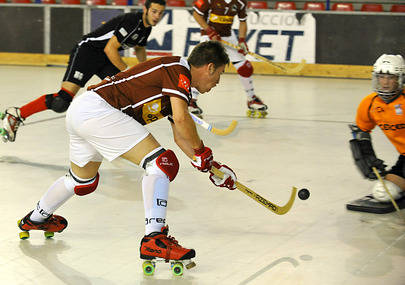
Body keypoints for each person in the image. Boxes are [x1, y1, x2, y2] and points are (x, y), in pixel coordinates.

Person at [17, 41, 238, 266]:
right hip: (99, 111)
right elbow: (182, 119)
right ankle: (155, 238)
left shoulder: (179, 85)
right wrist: (202, 152)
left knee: (82, 180)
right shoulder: (178, 70)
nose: (217, 82)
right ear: (209, 67)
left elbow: (180, 134)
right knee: (162, 164)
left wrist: (213, 168)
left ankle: (36, 218)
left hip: (83, 111)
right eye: (219, 75)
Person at [0, 0, 166, 143]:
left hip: (104, 59)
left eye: (160, 13)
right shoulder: (132, 22)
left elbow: (139, 48)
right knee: (62, 101)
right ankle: (16, 114)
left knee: (121, 94)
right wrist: (128, 72)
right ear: (145, 9)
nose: (157, 16)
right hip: (88, 52)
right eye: (154, 11)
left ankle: (113, 137)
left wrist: (145, 71)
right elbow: (110, 49)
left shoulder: (146, 28)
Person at [189, 0, 268, 118]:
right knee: (204, 66)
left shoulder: (240, 2)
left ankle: (252, 99)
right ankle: (191, 100)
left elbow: (243, 22)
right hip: (208, 34)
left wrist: (241, 40)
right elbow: (196, 14)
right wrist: (209, 30)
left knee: (245, 67)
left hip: (228, 36)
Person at [349, 54, 405, 205]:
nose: (385, 82)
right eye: (381, 77)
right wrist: (366, 157)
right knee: (383, 193)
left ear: (399, 79)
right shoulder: (369, 104)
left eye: (391, 77)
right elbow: (361, 132)